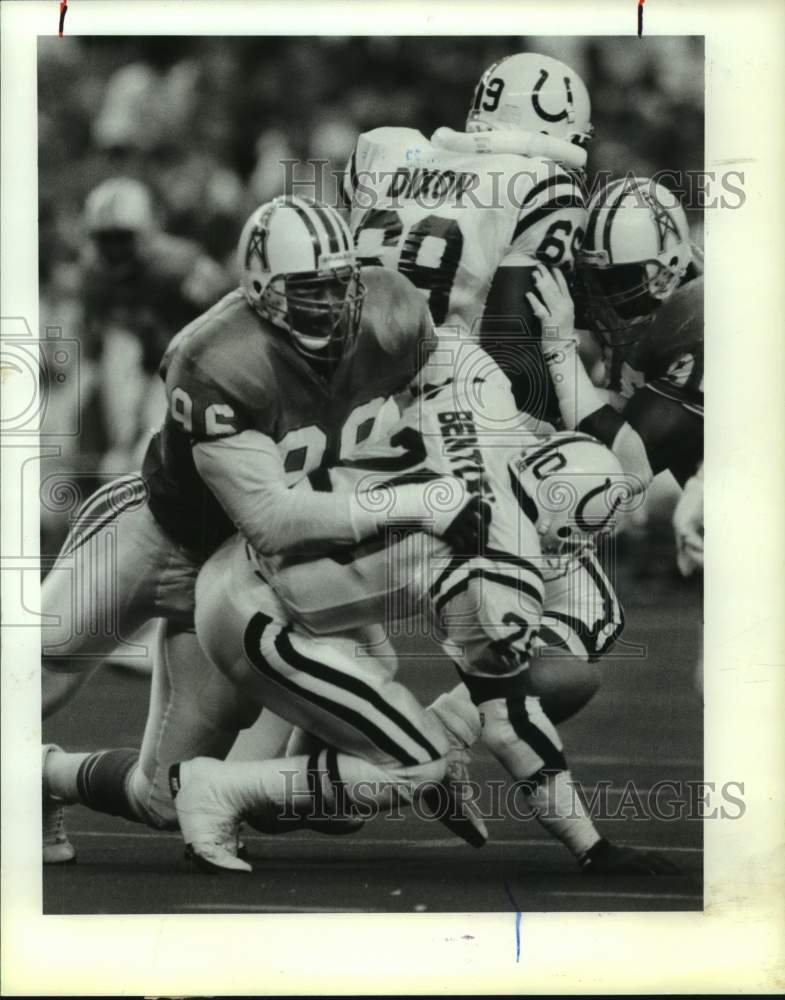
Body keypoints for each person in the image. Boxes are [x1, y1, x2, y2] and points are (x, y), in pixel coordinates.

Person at [42, 195, 486, 863]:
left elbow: (446, 405)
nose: (330, 306)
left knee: (166, 798)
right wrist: (424, 501)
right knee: (34, 671)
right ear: (260, 291)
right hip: (156, 531)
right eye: (308, 292)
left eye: (341, 286)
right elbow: (273, 517)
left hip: (241, 576)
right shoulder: (219, 357)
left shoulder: (395, 317)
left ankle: (40, 782)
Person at [176, 345, 677, 875]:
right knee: (418, 766)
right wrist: (590, 845)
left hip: (250, 567)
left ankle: (295, 786)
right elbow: (513, 727)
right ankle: (217, 789)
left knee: (371, 751)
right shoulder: (505, 563)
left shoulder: (483, 405)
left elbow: (439, 339)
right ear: (566, 527)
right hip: (260, 619)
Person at [79, 177, 231, 473]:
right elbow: (96, 344)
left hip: (189, 369)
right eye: (105, 239)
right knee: (114, 350)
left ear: (147, 230)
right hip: (137, 371)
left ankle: (142, 453)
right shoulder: (92, 274)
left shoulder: (180, 266)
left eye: (122, 238)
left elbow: (229, 324)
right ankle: (118, 447)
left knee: (146, 455)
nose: (114, 249)